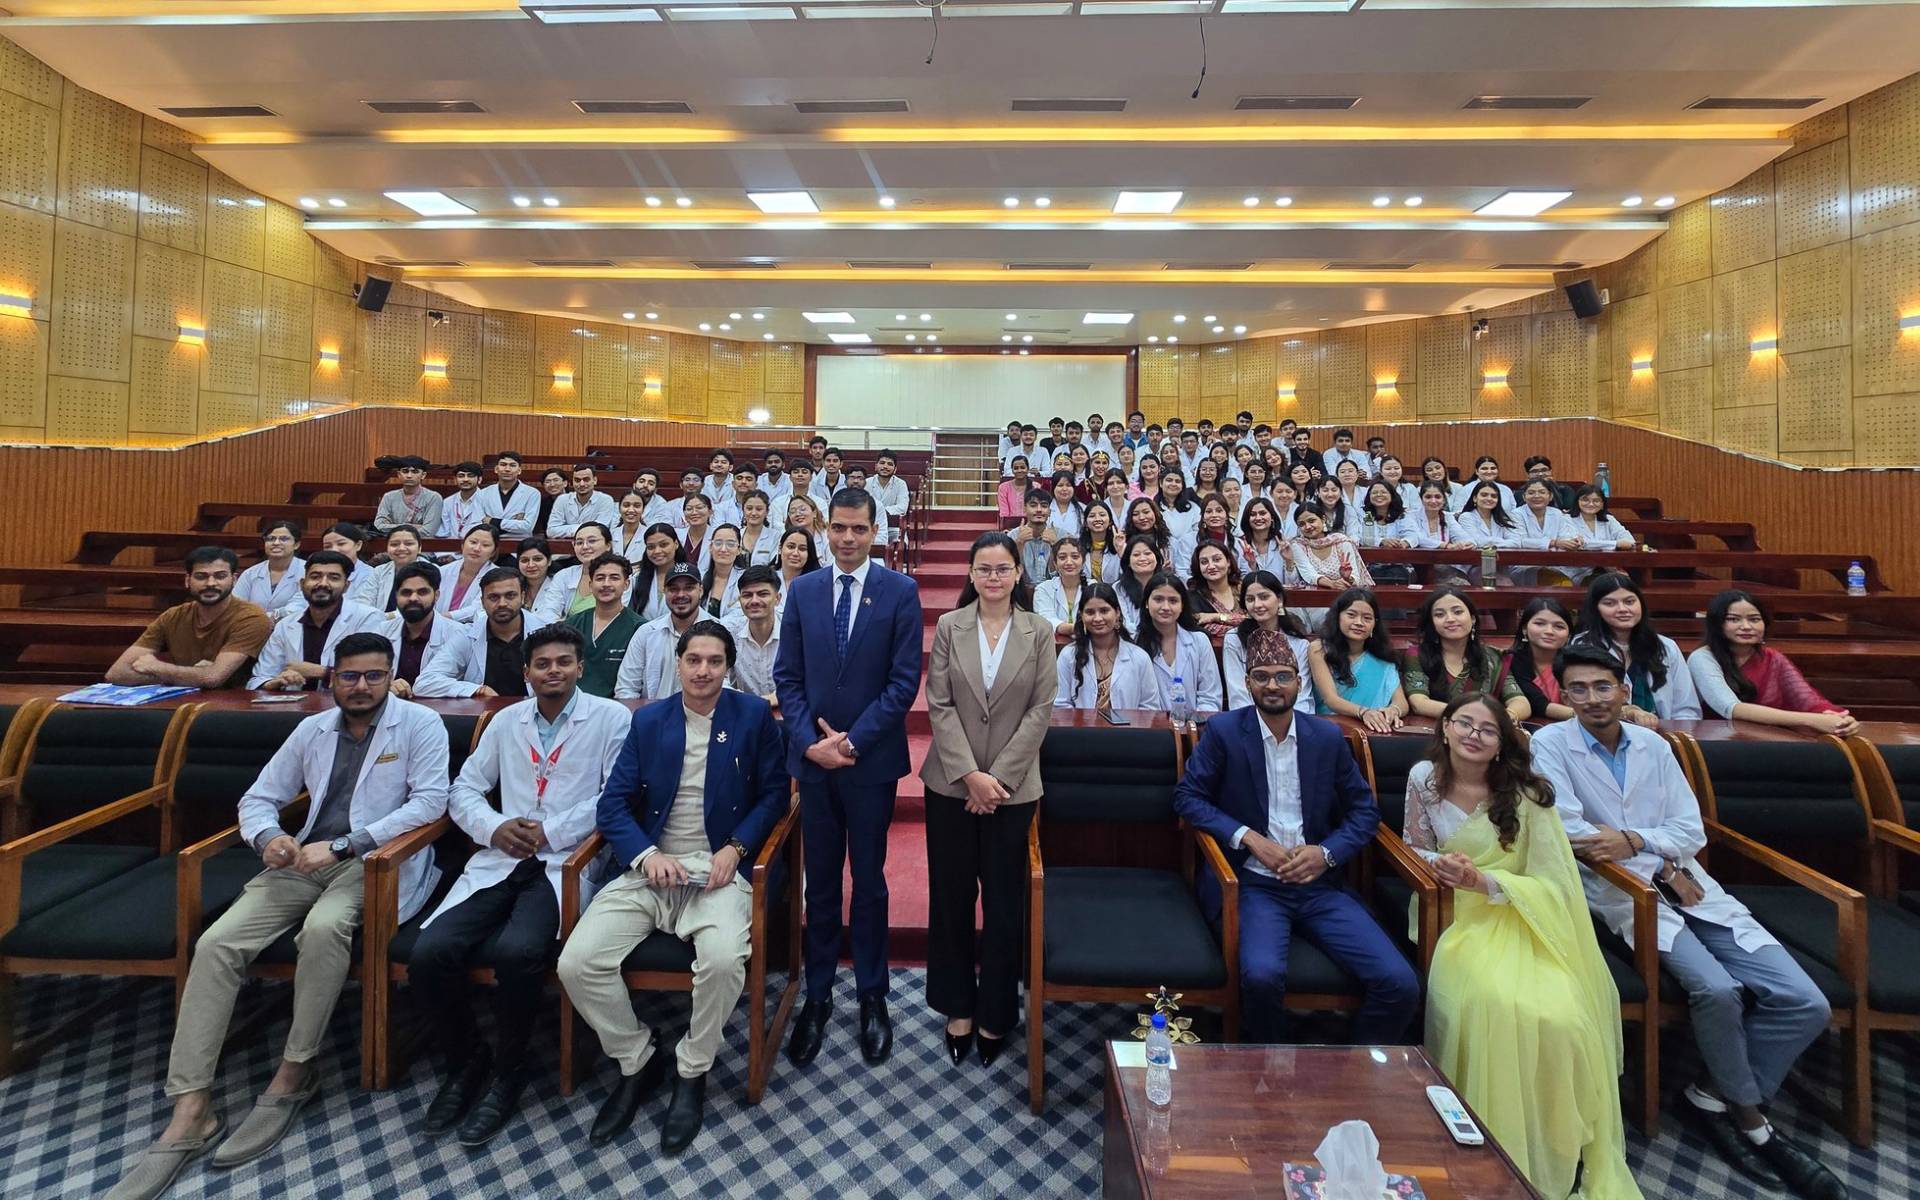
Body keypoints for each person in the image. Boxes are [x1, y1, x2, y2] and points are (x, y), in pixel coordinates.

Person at [104, 635, 447, 1200]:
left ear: (391, 677)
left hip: (375, 864)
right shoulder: (312, 727)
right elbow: (260, 796)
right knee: (216, 944)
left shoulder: (418, 725)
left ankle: (295, 1071)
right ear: (331, 677)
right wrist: (268, 837)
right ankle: (192, 1106)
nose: (361, 687)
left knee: (323, 929)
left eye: (374, 676)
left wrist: (346, 846)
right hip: (299, 860)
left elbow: (430, 802)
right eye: (350, 676)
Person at [1534, 648, 1847, 1199]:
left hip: (1689, 885)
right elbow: (1574, 834)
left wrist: (1636, 839)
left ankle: (1709, 1094)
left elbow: (1689, 829)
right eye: (1577, 689)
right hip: (1620, 893)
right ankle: (1753, 1121)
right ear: (1563, 695)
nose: (1591, 699)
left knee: (1806, 1001)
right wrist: (1640, 847)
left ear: (1624, 689)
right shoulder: (1549, 746)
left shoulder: (1655, 746)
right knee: (1716, 988)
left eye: (1602, 686)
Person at [561, 620, 789, 1151]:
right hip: (652, 868)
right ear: (678, 663)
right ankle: (636, 1057)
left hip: (719, 870)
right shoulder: (649, 722)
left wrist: (736, 849)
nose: (703, 670)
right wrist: (645, 854)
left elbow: (775, 795)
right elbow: (613, 805)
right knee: (577, 962)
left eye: (714, 661)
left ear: (728, 667)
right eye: (693, 660)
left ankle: (692, 1068)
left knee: (723, 959)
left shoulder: (752, 716)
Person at [1405, 694, 1642, 1200]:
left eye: (1487, 730)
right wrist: (1444, 868)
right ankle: (1487, 1132)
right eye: (1463, 723)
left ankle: (1554, 1141)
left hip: (1524, 915)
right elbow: (1414, 844)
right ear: (1445, 728)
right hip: (1455, 917)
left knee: (1561, 1019)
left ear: (1500, 745)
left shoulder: (1530, 795)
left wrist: (1488, 882)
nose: (1473, 734)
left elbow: (1555, 882)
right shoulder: (1423, 778)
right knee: (1496, 1003)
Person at [408, 624, 629, 1145]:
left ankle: (509, 1073)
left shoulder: (610, 718)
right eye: (542, 664)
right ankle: (467, 1061)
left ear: (580, 667)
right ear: (526, 672)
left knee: (518, 952)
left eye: (564, 662)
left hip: (563, 861)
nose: (553, 671)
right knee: (430, 953)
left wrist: (550, 830)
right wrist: (494, 827)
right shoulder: (506, 721)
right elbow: (465, 788)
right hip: (500, 856)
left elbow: (614, 793)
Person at [1174, 631, 1418, 1045]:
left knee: (1400, 984)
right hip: (1253, 885)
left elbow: (1364, 812)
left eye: (1283, 676)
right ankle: (1274, 1070)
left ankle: (1349, 1074)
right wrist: (1249, 838)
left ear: (1299, 682)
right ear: (1247, 682)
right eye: (1262, 676)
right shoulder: (1224, 732)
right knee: (1262, 977)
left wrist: (1326, 854)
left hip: (1319, 885)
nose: (1273, 685)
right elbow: (1187, 797)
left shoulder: (1325, 736)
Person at [775, 488, 924, 1069]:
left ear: (874, 529)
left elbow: (902, 682)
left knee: (869, 878)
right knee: (823, 883)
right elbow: (787, 677)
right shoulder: (805, 589)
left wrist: (852, 742)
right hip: (813, 764)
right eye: (837, 528)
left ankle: (872, 994)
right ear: (824, 529)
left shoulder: (900, 591)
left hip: (869, 764)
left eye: (858, 529)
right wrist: (812, 745)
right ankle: (817, 995)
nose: (846, 539)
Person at [920, 533, 1058, 1070]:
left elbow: (1041, 708)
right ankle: (956, 1006)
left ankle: (997, 1010)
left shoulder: (1039, 630)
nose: (994, 578)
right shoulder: (952, 627)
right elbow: (940, 702)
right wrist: (970, 775)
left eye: (1003, 568)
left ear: (1019, 572)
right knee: (951, 898)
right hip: (951, 785)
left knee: (1004, 904)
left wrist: (996, 778)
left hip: (1014, 788)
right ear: (971, 574)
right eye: (984, 569)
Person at [1688, 590, 1858, 735]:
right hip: (1719, 742)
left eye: (1754, 619)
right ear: (1717, 625)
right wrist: (1812, 720)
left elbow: (1807, 700)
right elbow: (1731, 709)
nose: (1746, 626)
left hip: (1770, 739)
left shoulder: (1773, 658)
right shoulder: (1702, 658)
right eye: (1734, 619)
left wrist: (1840, 719)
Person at [106, 546, 274, 690]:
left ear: (234, 580)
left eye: (220, 576)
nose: (211, 583)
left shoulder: (251, 618)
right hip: (183, 701)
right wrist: (192, 675)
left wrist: (157, 667)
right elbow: (117, 673)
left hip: (236, 707)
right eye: (201, 576)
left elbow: (213, 678)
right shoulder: (173, 616)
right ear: (187, 580)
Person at [1569, 572, 1701, 724]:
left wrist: (1676, 738)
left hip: (1664, 735)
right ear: (1595, 609)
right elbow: (1584, 702)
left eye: (1629, 601)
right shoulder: (1583, 645)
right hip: (1606, 734)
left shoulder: (1665, 646)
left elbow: (1686, 709)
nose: (1622, 609)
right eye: (1610, 603)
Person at [248, 552, 389, 691]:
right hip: (292, 709)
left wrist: (321, 672)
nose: (323, 584)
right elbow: (259, 678)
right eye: (315, 577)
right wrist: (275, 682)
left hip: (347, 708)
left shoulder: (368, 618)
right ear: (302, 584)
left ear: (346, 586)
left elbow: (373, 674)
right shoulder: (286, 625)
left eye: (333, 578)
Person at [1402, 587, 1529, 721]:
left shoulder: (1492, 657)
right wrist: (1471, 716)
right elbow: (1419, 703)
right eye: (1440, 615)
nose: (1450, 619)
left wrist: (1505, 717)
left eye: (1458, 612)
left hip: (1483, 733)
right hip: (1435, 732)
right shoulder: (1417, 655)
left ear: (1473, 619)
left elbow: (1520, 702)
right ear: (1432, 623)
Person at [415, 568, 531, 698]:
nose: (502, 604)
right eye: (493, 597)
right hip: (484, 715)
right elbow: (424, 683)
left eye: (510, 595)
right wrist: (475, 690)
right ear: (482, 602)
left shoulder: (544, 632)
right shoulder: (467, 634)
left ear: (523, 597)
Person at [1308, 588, 1408, 732]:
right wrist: (1363, 712)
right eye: (1351, 615)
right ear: (1337, 617)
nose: (1359, 623)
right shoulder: (1319, 649)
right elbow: (1330, 699)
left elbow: (1402, 702)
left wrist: (1394, 710)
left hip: (1377, 730)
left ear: (1375, 624)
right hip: (1331, 730)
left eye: (1367, 618)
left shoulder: (1383, 658)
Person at [1222, 570, 1319, 713]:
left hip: (1292, 723)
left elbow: (1302, 697)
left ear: (1279, 599)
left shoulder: (1299, 644)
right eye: (1250, 599)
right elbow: (1238, 695)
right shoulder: (1234, 639)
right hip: (1250, 723)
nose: (1257, 605)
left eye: (1264, 597)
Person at [1053, 582, 1158, 710]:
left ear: (1117, 612)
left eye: (1104, 611)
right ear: (1081, 615)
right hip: (1080, 729)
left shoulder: (1139, 658)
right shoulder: (1068, 656)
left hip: (1130, 729)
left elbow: (1149, 708)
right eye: (1090, 612)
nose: (1097, 618)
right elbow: (1060, 705)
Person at [615, 562, 706, 701]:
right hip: (655, 718)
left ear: (701, 590)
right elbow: (626, 688)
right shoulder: (646, 633)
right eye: (673, 589)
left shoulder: (720, 633)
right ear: (664, 591)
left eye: (689, 588)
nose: (681, 594)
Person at [1135, 573, 1223, 712]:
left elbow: (1210, 697)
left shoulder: (1200, 641)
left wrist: (1193, 725)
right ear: (1146, 603)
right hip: (1152, 729)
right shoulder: (1135, 645)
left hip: (1196, 727)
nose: (1165, 607)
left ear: (1182, 605)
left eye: (1173, 601)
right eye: (1158, 599)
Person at [565, 554, 645, 698]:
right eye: (600, 578)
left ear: (626, 584)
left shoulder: (639, 627)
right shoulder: (573, 623)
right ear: (590, 585)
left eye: (614, 578)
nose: (606, 584)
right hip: (573, 704)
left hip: (617, 707)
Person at [382, 561, 455, 698]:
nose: (413, 598)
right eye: (406, 593)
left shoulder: (458, 634)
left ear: (437, 595)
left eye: (422, 592)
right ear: (396, 596)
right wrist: (385, 684)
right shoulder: (380, 631)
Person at [1503, 596, 1577, 721]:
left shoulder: (1578, 662)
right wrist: (1586, 716)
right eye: (1540, 623)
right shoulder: (1511, 661)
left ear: (1568, 635)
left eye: (1559, 626)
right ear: (1525, 629)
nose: (1549, 631)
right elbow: (1538, 704)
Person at [532, 521, 619, 625]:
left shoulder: (619, 576)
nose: (585, 547)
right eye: (579, 542)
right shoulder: (564, 575)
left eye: (592, 541)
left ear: (608, 545)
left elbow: (616, 617)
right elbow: (548, 612)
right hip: (567, 637)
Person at [719, 565, 782, 702]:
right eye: (747, 595)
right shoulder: (728, 631)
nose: (754, 601)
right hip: (744, 712)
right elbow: (720, 679)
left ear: (777, 598)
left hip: (788, 711)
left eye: (762, 594)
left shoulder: (793, 629)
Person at [233, 519, 305, 619]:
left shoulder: (306, 570)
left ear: (296, 544)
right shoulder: (250, 573)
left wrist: (264, 616)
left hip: (292, 629)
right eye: (270, 538)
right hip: (254, 628)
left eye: (284, 539)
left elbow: (300, 606)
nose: (276, 543)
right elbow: (236, 606)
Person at [349, 523, 425, 612]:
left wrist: (386, 617)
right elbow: (364, 603)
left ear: (419, 548)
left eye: (408, 543)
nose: (401, 548)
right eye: (394, 544)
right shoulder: (379, 571)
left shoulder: (430, 571)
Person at [437, 524, 502, 624]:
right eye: (473, 542)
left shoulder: (497, 576)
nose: (477, 549)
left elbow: (478, 609)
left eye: (485, 545)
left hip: (472, 629)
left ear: (493, 552)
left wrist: (443, 618)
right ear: (463, 545)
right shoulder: (444, 571)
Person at [1187, 541, 1244, 649]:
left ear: (1228, 562)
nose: (1211, 566)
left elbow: (1256, 619)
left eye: (1217, 560)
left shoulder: (1244, 589)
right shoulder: (1193, 596)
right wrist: (1240, 622)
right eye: (1204, 562)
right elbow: (1203, 626)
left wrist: (1216, 617)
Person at [629, 522, 686, 623]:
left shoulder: (690, 577)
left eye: (663, 545)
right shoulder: (637, 580)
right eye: (651, 547)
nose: (657, 551)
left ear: (676, 544)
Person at [1032, 535, 1087, 639]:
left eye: (1075, 557)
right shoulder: (1043, 589)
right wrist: (1074, 628)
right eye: (1062, 557)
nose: (1069, 562)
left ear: (1083, 562)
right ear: (1055, 564)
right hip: (1053, 647)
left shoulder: (1093, 587)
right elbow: (1045, 620)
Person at [477, 451, 542, 538]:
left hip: (519, 543)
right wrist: (514, 523)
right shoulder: (483, 493)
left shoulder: (532, 493)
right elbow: (479, 523)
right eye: (503, 464)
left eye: (512, 465)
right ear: (496, 469)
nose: (507, 469)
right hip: (489, 541)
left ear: (519, 471)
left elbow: (527, 526)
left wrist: (492, 521)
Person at [373, 455, 442, 535]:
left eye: (415, 472)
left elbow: (428, 531)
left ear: (423, 475)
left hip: (423, 545)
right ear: (399, 474)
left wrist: (392, 526)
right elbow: (379, 526)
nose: (409, 476)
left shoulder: (433, 498)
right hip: (394, 542)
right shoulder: (389, 497)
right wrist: (412, 526)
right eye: (405, 471)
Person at [1113, 534, 1164, 635]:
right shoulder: (1118, 588)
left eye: (1148, 553)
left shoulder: (1167, 584)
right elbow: (1125, 623)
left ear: (1156, 557)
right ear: (1128, 561)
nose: (1142, 558)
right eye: (1136, 555)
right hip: (1132, 643)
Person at [1012, 488, 1057, 585]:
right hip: (1019, 589)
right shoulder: (1013, 536)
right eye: (1033, 505)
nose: (1039, 510)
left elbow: (1060, 574)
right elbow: (1008, 570)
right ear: (1024, 509)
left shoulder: (1060, 536)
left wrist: (1055, 546)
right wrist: (1019, 543)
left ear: (1049, 511)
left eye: (1044, 506)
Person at [701, 522, 744, 617]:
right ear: (710, 548)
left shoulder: (746, 580)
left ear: (739, 550)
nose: (723, 549)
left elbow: (741, 616)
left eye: (730, 544)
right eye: (718, 543)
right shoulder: (699, 577)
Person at [868, 450, 910, 547]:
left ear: (895, 469)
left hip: (892, 528)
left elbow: (902, 507)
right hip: (870, 527)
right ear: (876, 466)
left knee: (901, 543)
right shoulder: (867, 483)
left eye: (890, 464)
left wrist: (881, 511)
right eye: (882, 463)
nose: (885, 467)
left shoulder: (901, 484)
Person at [437, 462, 488, 540]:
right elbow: (444, 532)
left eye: (470, 476)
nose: (465, 479)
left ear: (479, 479)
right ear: (455, 480)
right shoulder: (448, 502)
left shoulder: (487, 500)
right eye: (461, 476)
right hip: (450, 548)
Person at [1079, 499, 1120, 585]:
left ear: (1110, 521)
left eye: (1102, 515)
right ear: (1085, 523)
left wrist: (1121, 551)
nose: (1097, 519)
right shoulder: (1078, 548)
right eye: (1092, 516)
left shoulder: (1119, 547)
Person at [515, 537, 554, 613]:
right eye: (524, 560)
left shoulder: (559, 586)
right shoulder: (513, 586)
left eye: (537, 559)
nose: (531, 565)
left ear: (549, 561)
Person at [776, 527, 820, 591]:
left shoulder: (818, 583)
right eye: (791, 547)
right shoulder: (766, 579)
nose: (795, 553)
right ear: (780, 549)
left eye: (802, 549)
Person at [530, 468, 569, 540]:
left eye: (556, 480)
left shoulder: (575, 499)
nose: (552, 484)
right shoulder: (542, 504)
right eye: (548, 481)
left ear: (565, 483)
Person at [997, 455, 1032, 527]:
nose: (1019, 470)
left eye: (1022, 467)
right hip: (1010, 526)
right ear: (1012, 470)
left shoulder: (1036, 487)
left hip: (1031, 526)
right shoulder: (1003, 488)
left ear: (1028, 469)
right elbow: (1004, 513)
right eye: (1016, 468)